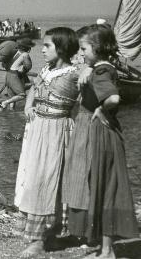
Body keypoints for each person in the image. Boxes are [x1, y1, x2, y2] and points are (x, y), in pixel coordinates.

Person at [63, 25, 137, 258]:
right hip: (103, 132)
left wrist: (102, 110)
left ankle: (106, 251)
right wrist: (89, 66)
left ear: (96, 47)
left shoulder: (101, 71)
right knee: (104, 185)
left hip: (101, 134)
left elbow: (113, 97)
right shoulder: (101, 67)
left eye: (83, 48)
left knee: (103, 185)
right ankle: (105, 248)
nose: (80, 53)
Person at [14, 27, 80, 257]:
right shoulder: (47, 69)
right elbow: (33, 88)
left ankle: (41, 240)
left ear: (61, 49)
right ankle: (41, 237)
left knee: (49, 180)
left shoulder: (74, 74)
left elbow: (85, 101)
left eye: (47, 46)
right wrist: (27, 105)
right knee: (34, 178)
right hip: (39, 129)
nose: (41, 50)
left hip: (56, 131)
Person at [0, 38, 35, 110]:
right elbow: (28, 66)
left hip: (8, 75)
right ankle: (4, 103)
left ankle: (12, 112)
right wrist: (23, 70)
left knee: (13, 96)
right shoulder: (25, 54)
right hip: (14, 75)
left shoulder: (16, 53)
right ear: (28, 48)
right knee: (22, 95)